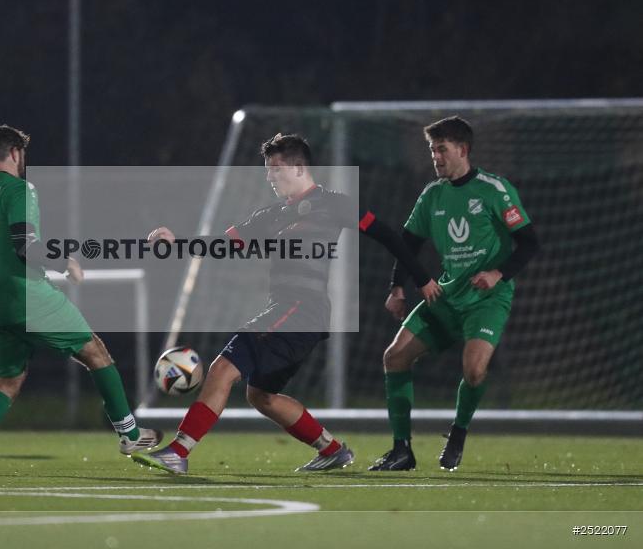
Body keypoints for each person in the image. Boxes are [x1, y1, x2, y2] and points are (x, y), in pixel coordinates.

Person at [133, 133, 441, 475]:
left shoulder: (334, 203)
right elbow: (221, 244)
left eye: (276, 169)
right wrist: (176, 244)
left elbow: (389, 236)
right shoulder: (272, 215)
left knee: (223, 367)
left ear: (298, 168)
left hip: (301, 310)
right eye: (267, 170)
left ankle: (178, 451)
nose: (269, 177)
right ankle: (332, 450)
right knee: (260, 395)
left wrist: (419, 280)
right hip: (290, 312)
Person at [0, 124, 162, 476]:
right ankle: (129, 434)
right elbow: (25, 245)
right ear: (16, 154)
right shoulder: (20, 189)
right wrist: (64, 259)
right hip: (25, 293)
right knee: (95, 351)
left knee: (7, 381)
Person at [369, 116, 540, 472]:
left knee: (475, 370)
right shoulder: (432, 195)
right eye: (432, 149)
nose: (435, 156)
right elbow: (407, 246)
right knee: (395, 357)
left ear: (463, 150)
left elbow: (529, 243)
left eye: (441, 149)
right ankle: (402, 450)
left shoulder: (494, 189)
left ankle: (458, 432)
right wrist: (397, 287)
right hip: (446, 297)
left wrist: (497, 273)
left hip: (487, 300)